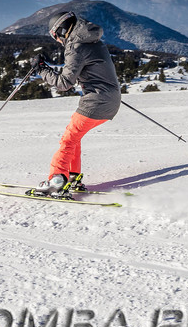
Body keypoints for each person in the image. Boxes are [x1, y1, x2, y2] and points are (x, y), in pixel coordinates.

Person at [30, 10, 120, 197]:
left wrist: (42, 70)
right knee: (74, 137)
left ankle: (56, 180)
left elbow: (64, 84)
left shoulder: (76, 47)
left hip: (96, 101)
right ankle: (72, 176)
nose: (58, 41)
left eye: (56, 37)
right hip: (110, 99)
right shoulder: (93, 41)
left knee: (68, 140)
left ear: (62, 31)